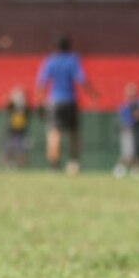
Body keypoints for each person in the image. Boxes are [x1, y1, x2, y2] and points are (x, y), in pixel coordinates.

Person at [35, 35, 100, 176]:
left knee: (54, 134)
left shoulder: (50, 61)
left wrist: (39, 102)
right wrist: (93, 95)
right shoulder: (73, 60)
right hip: (70, 101)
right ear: (69, 46)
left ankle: (54, 167)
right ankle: (74, 162)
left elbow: (42, 83)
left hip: (54, 102)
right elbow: (82, 80)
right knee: (74, 134)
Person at [113, 83, 139, 178]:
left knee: (136, 152)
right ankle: (120, 169)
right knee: (127, 152)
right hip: (127, 131)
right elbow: (123, 119)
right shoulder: (125, 106)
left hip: (136, 131)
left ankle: (136, 170)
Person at [3, 87, 31, 168]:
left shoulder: (25, 109)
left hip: (21, 133)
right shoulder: (11, 107)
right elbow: (5, 103)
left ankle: (21, 166)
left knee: (21, 150)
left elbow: (25, 121)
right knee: (8, 148)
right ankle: (7, 164)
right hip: (11, 132)